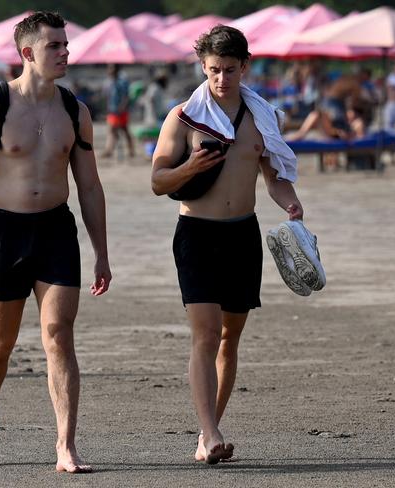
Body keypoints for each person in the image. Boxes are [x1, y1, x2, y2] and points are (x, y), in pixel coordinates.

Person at [0, 11, 111, 472]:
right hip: (4, 231)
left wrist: (102, 253)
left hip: (56, 230)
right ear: (27, 53)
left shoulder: (76, 110)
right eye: (55, 46)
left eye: (66, 45)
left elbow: (90, 187)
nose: (65, 53)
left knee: (59, 335)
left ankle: (66, 445)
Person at [151, 25, 304, 465]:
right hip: (197, 233)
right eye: (214, 70)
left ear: (245, 67)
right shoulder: (183, 117)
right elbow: (159, 181)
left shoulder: (262, 116)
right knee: (204, 334)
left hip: (243, 233)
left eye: (230, 70)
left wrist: (290, 202)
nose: (222, 79)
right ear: (203, 67)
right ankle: (212, 432)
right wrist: (190, 166)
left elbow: (274, 176)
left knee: (229, 338)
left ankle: (206, 434)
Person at [101, 64, 135, 159]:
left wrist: (122, 107)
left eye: (111, 68)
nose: (109, 70)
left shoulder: (122, 82)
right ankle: (110, 149)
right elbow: (107, 96)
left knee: (124, 130)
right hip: (112, 110)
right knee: (112, 130)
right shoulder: (109, 82)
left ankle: (130, 149)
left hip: (120, 111)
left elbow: (126, 96)